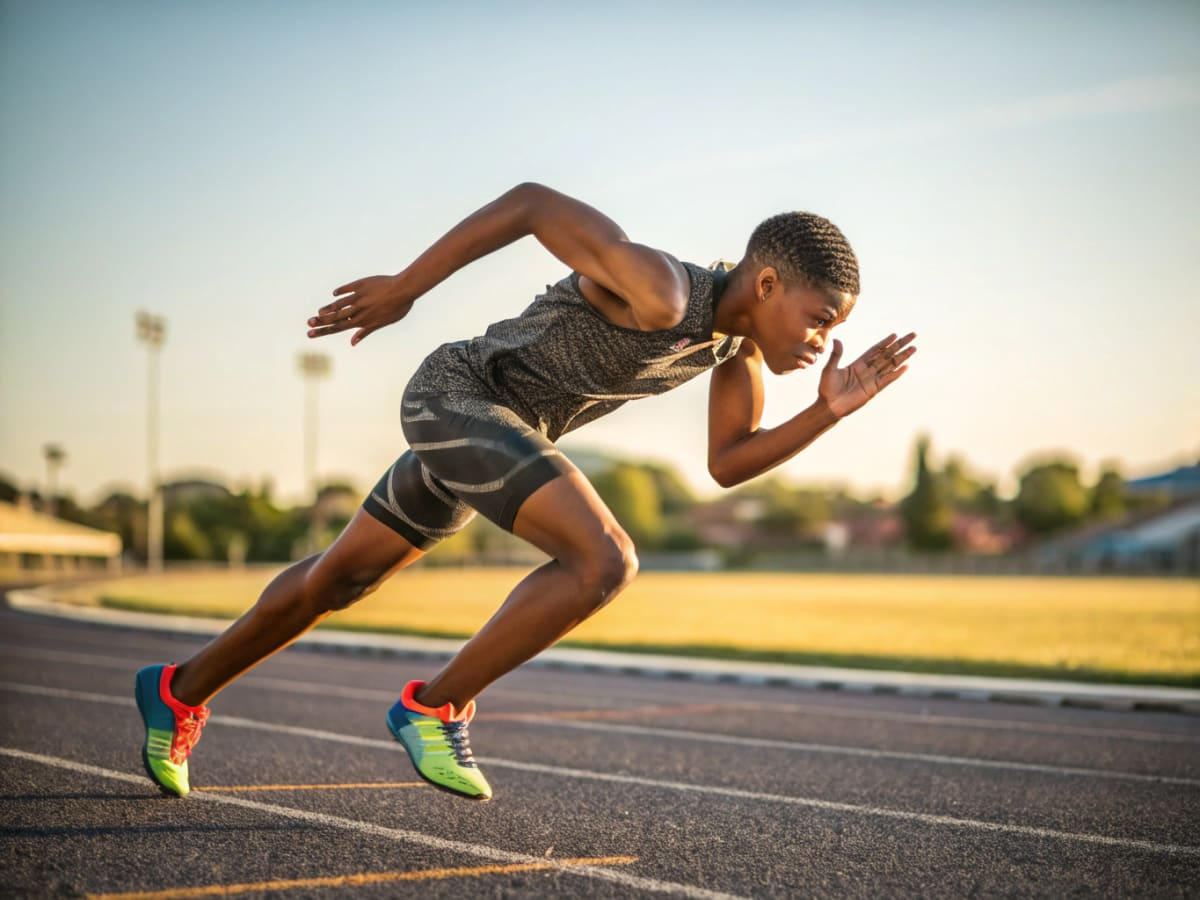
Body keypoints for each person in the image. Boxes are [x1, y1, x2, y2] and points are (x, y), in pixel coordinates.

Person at [134, 182, 916, 801]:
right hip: (458, 397)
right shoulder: (665, 290)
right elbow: (534, 204)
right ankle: (434, 708)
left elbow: (729, 463)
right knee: (604, 560)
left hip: (500, 439)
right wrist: (406, 287)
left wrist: (826, 412)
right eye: (819, 320)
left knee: (337, 579)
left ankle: (178, 691)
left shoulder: (730, 351)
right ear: (768, 282)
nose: (821, 342)